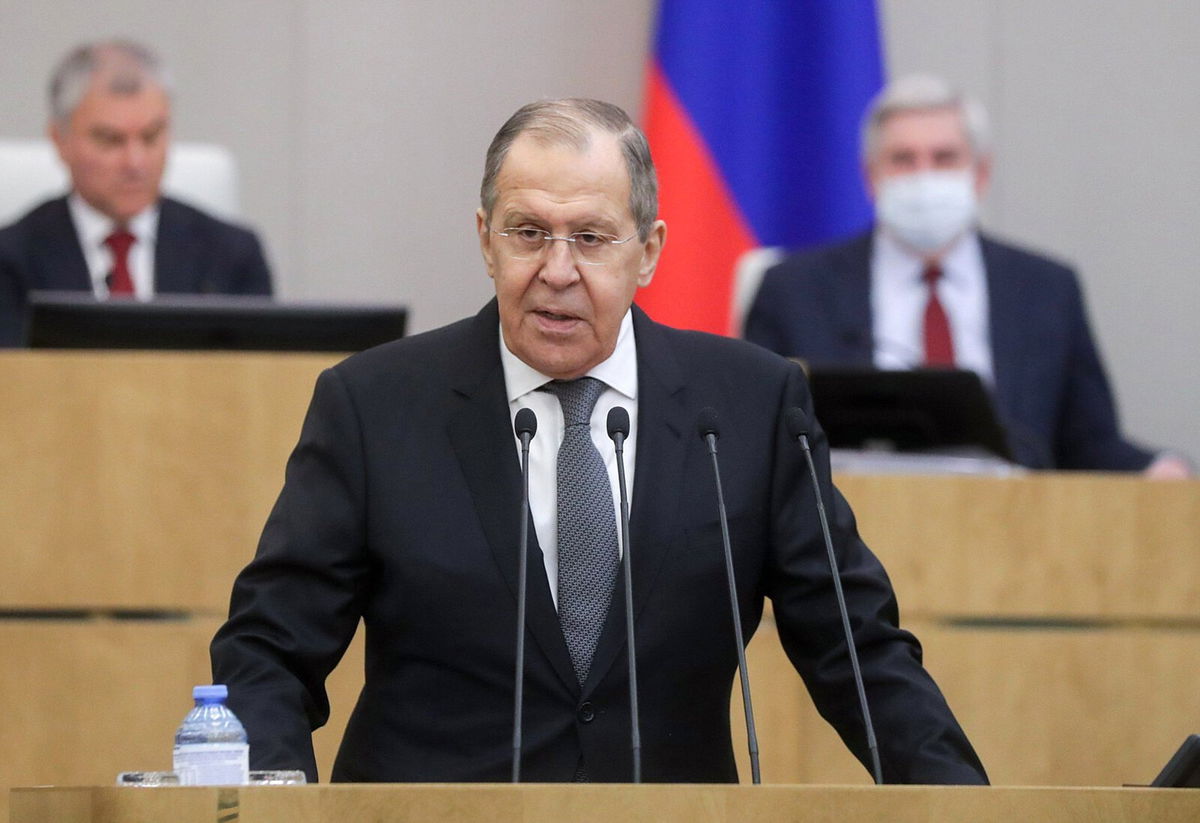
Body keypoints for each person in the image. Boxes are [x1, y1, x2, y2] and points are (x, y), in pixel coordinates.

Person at [210, 98, 987, 785]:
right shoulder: (374, 405)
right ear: (486, 241)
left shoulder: (750, 405)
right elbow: (269, 649)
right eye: (528, 233)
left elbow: (859, 653)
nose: (557, 270)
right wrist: (269, 804)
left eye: (590, 236)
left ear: (647, 250)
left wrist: (964, 806)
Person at [744, 74, 1189, 476]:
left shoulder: (1046, 290)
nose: (924, 176)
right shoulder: (792, 291)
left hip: (1020, 535)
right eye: (903, 159)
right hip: (845, 534)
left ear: (980, 173)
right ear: (870, 177)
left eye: (944, 158)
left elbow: (1087, 444)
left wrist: (1159, 470)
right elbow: (755, 439)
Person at [0, 39, 272, 346]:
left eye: (151, 136)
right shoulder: (11, 259)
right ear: (59, 140)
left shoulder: (232, 255)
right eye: (110, 140)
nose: (135, 162)